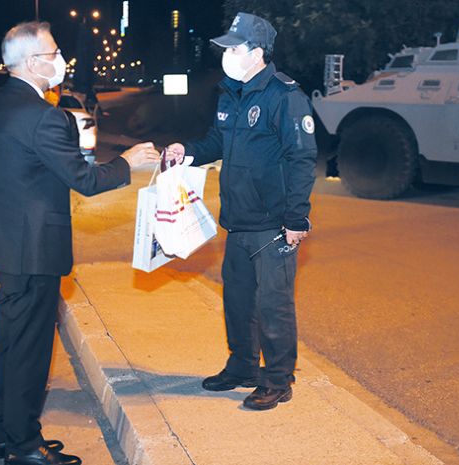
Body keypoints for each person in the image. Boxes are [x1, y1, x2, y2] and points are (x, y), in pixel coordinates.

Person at [0, 21, 159, 465]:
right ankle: (24, 445)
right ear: (34, 62)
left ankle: (6, 435)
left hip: (5, 244)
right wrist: (127, 161)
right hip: (35, 250)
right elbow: (85, 179)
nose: (61, 61)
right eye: (54, 53)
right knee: (30, 353)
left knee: (10, 344)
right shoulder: (43, 116)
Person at [165, 12, 317, 411]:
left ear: (258, 52)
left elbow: (302, 159)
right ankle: (243, 367)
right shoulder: (230, 91)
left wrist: (296, 219)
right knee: (237, 301)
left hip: (273, 225)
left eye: (234, 47)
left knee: (274, 306)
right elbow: (217, 141)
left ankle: (278, 379)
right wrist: (189, 151)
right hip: (237, 219)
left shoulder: (285, 97)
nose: (227, 54)